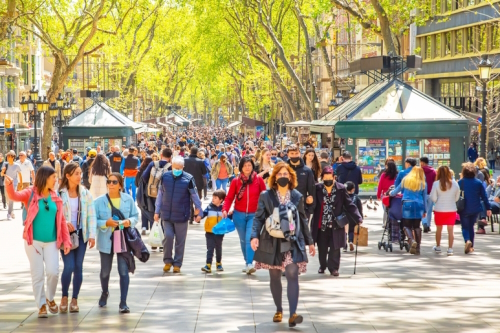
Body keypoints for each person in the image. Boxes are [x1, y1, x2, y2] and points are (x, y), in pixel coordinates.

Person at [250, 161, 315, 328]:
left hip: (292, 241)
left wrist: (310, 242)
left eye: (286, 174)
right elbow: (258, 218)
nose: (283, 177)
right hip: (272, 241)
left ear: (291, 177)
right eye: (280, 174)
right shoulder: (266, 195)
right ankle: (279, 309)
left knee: (292, 273)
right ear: (274, 177)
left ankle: (293, 313)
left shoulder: (297, 196)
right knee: (275, 276)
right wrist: (254, 236)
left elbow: (302, 219)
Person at [4, 167, 71, 318]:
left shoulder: (56, 196)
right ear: (45, 177)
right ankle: (41, 305)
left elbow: (61, 222)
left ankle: (50, 298)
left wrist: (66, 241)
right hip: (33, 242)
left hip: (52, 242)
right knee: (38, 274)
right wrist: (9, 184)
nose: (56, 180)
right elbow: (14, 195)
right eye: (53, 177)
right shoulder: (31, 192)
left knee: (53, 272)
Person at [95, 173, 138, 313]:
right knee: (105, 272)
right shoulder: (99, 201)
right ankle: (104, 292)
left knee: (123, 271)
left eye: (114, 182)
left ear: (120, 185)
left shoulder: (128, 199)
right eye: (109, 182)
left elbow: (135, 216)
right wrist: (105, 223)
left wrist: (129, 222)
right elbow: (93, 220)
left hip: (123, 239)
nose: (111, 184)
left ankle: (123, 302)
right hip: (106, 239)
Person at [58, 163, 97, 313]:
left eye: (81, 173)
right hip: (65, 235)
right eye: (76, 174)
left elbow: (91, 215)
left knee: (78, 266)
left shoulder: (86, 193)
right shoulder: (60, 194)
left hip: (81, 234)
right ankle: (64, 297)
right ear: (67, 176)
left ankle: (75, 299)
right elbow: (56, 214)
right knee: (68, 266)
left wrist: (92, 235)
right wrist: (64, 223)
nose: (80, 176)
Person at [154, 156, 203, 273]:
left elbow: (195, 196)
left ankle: (177, 263)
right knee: (168, 237)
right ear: (171, 166)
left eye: (179, 168)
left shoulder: (188, 179)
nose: (177, 170)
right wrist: (157, 211)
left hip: (182, 214)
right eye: (175, 167)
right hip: (166, 214)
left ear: (183, 167)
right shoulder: (165, 177)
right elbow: (160, 195)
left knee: (180, 241)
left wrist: (199, 210)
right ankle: (167, 261)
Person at [311, 168, 362, 275]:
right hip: (322, 224)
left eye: (330, 177)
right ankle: (322, 265)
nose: (328, 180)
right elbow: (312, 204)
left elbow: (349, 204)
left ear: (334, 177)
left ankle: (333, 268)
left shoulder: (341, 189)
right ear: (322, 178)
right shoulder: (317, 188)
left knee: (335, 247)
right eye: (326, 178)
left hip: (336, 223)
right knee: (322, 247)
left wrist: (358, 217)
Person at [222, 156, 266, 274]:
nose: (247, 168)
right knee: (243, 240)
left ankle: (250, 263)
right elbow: (230, 197)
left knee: (249, 238)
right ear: (241, 167)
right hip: (239, 215)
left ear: (252, 167)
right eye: (245, 165)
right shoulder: (236, 181)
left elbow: (265, 196)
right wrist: (225, 209)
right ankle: (247, 262)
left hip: (254, 215)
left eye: (249, 165)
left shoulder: (258, 180)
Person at [390, 167, 427, 255]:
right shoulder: (423, 183)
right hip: (419, 205)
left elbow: (396, 191)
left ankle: (411, 240)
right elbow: (425, 198)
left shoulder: (406, 180)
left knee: (406, 225)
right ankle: (417, 248)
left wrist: (390, 193)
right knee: (417, 226)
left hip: (407, 204)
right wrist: (425, 210)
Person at [458, 163, 491, 254]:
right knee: (471, 227)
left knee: (464, 227)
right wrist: (488, 208)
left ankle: (467, 240)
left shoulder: (461, 182)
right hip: (475, 208)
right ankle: (471, 246)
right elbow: (484, 197)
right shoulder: (478, 182)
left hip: (464, 208)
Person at [430, 166, 459, 256]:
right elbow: (457, 197)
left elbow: (433, 197)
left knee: (439, 229)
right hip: (451, 209)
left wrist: (437, 201)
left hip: (439, 209)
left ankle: (438, 246)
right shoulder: (454, 184)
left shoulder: (436, 184)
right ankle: (450, 249)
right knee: (450, 230)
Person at [287, 144, 316, 217]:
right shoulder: (284, 169)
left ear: (299, 154)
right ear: (288, 154)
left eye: (296, 153)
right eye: (292, 153)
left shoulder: (307, 171)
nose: (294, 156)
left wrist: (310, 209)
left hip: (302, 208)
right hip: (286, 207)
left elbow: (312, 190)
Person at [201, 190, 226, 273]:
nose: (213, 199)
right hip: (209, 232)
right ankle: (208, 264)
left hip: (219, 233)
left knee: (218, 248)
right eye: (213, 197)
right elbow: (203, 214)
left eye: (215, 198)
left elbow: (228, 217)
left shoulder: (223, 209)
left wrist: (231, 213)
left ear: (221, 200)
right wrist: (198, 217)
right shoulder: (209, 207)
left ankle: (219, 263)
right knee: (210, 248)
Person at [183, 147, 208, 222]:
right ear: (197, 152)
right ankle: (197, 216)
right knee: (197, 200)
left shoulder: (184, 160)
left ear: (190, 152)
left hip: (186, 182)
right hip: (198, 183)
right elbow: (204, 173)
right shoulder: (200, 161)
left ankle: (191, 217)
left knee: (189, 200)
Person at [2, 150, 22, 220]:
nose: (8, 157)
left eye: (9, 156)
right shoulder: (5, 164)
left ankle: (9, 213)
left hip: (14, 183)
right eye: (7, 156)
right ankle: (12, 210)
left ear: (13, 157)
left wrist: (21, 184)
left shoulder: (17, 165)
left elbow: (20, 174)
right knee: (7, 198)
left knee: (11, 198)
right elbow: (1, 174)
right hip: (6, 183)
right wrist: (3, 171)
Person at [136, 156, 153, 235]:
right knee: (152, 209)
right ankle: (152, 227)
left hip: (142, 192)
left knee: (143, 209)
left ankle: (144, 227)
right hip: (152, 193)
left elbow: (136, 182)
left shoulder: (140, 170)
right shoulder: (153, 170)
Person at [345, 181, 363, 252]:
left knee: (344, 231)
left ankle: (344, 246)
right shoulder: (356, 198)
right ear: (353, 189)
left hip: (345, 217)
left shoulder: (343, 197)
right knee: (351, 231)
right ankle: (351, 241)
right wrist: (360, 217)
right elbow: (360, 208)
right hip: (353, 217)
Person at [420, 157, 437, 233]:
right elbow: (435, 182)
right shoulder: (433, 171)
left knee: (422, 210)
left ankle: (424, 222)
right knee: (429, 210)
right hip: (431, 193)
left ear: (422, 163)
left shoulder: (420, 171)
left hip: (422, 193)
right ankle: (428, 225)